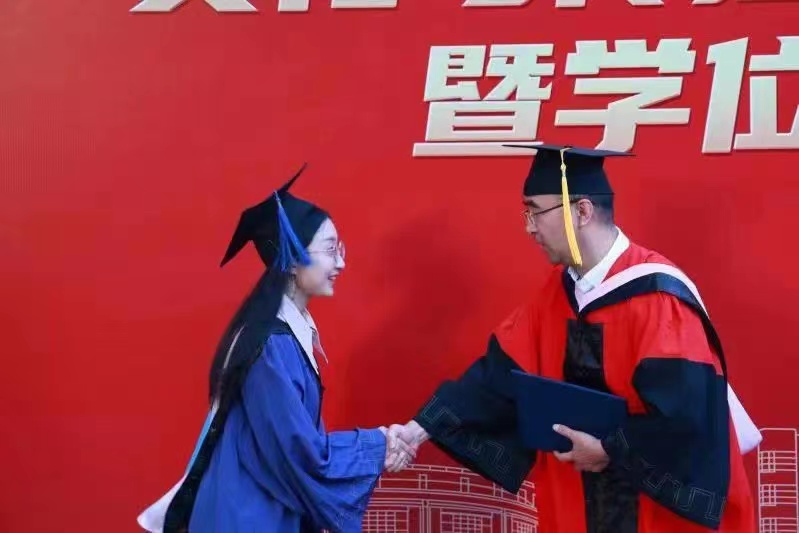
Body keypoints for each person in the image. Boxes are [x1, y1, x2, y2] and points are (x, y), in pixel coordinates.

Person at [388, 145, 759, 532]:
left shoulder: (658, 300)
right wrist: (418, 430)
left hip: (653, 516)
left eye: (536, 212)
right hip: (579, 506)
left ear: (582, 212)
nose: (529, 227)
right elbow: (497, 377)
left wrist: (608, 449)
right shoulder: (559, 293)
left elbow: (687, 421)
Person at [137, 164, 412, 533]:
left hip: (258, 507)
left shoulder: (277, 334)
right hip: (249, 516)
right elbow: (301, 451)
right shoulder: (271, 347)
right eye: (331, 250)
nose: (341, 262)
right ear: (294, 260)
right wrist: (379, 444)